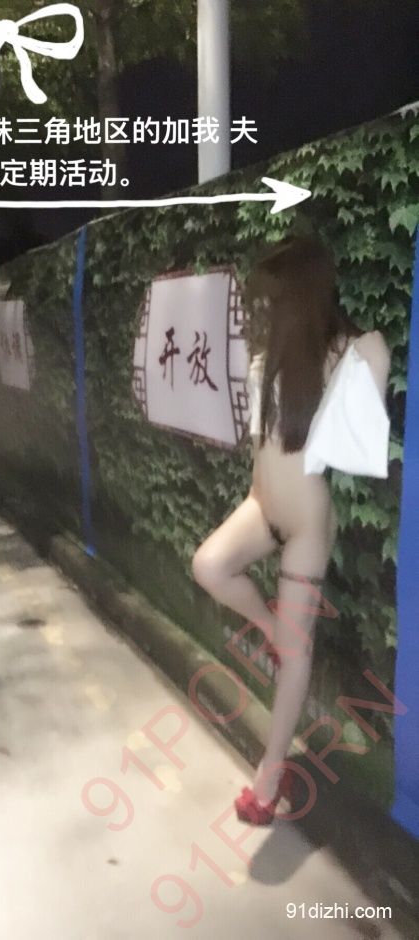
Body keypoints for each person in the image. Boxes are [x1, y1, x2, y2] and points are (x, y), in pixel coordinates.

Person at [191, 234, 391, 825]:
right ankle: (269, 624)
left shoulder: (350, 351)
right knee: (209, 565)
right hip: (263, 504)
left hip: (307, 521)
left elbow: (370, 383)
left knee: (295, 654)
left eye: (275, 293)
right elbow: (261, 452)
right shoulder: (271, 359)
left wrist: (353, 345)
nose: (264, 305)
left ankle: (269, 778)